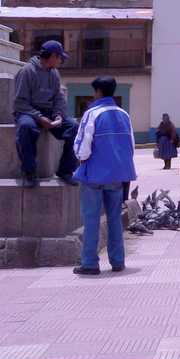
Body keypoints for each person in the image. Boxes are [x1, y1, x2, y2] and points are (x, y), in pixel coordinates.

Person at [71, 76, 136, 275]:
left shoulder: (92, 113)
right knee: (115, 217)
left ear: (98, 91)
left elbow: (82, 147)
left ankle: (90, 263)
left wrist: (82, 159)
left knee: (91, 219)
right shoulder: (123, 114)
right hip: (116, 176)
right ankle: (118, 261)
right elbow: (131, 146)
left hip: (94, 176)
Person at [13, 40, 79, 188]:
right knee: (26, 127)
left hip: (48, 112)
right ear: (53, 56)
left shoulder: (54, 73)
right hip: (28, 112)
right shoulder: (27, 71)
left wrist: (58, 115)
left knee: (74, 126)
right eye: (60, 57)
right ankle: (29, 171)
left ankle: (66, 170)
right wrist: (39, 117)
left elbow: (58, 97)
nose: (61, 60)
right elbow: (20, 102)